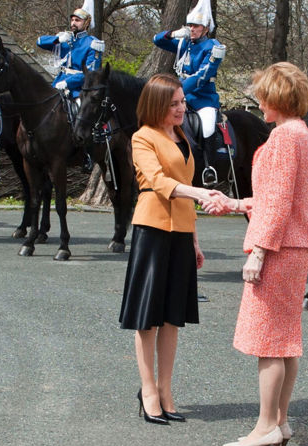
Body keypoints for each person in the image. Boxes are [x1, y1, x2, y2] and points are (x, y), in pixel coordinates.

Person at [201, 62, 308, 446]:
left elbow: (281, 202)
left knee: (270, 342)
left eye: (263, 96)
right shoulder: (302, 134)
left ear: (278, 97)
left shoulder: (285, 137)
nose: (259, 102)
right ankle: (279, 422)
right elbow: (276, 199)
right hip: (294, 244)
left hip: (280, 248)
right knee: (284, 342)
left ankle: (266, 426)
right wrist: (233, 203)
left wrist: (260, 253)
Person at [119, 74, 218, 426]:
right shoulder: (142, 137)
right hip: (153, 229)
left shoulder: (181, 135)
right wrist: (201, 194)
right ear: (157, 105)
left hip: (180, 233)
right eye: (174, 103)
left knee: (172, 318)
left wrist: (193, 239)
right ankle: (147, 391)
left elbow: (185, 186)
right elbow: (159, 182)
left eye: (182, 102)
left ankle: (165, 389)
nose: (181, 108)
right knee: (148, 319)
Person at [36, 0, 104, 172]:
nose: (73, 23)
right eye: (72, 20)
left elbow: (90, 73)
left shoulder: (92, 43)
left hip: (78, 88)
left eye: (78, 20)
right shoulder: (65, 40)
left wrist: (68, 82)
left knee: (83, 113)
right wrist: (57, 39)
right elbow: (39, 42)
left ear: (86, 23)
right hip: (58, 83)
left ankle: (87, 154)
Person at [152, 0, 226, 156]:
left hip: (203, 98)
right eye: (190, 25)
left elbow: (202, 76)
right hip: (182, 97)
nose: (192, 29)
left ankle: (208, 168)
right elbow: (156, 40)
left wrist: (177, 90)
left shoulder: (213, 47)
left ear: (205, 29)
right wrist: (173, 34)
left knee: (207, 127)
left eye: (196, 26)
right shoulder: (183, 43)